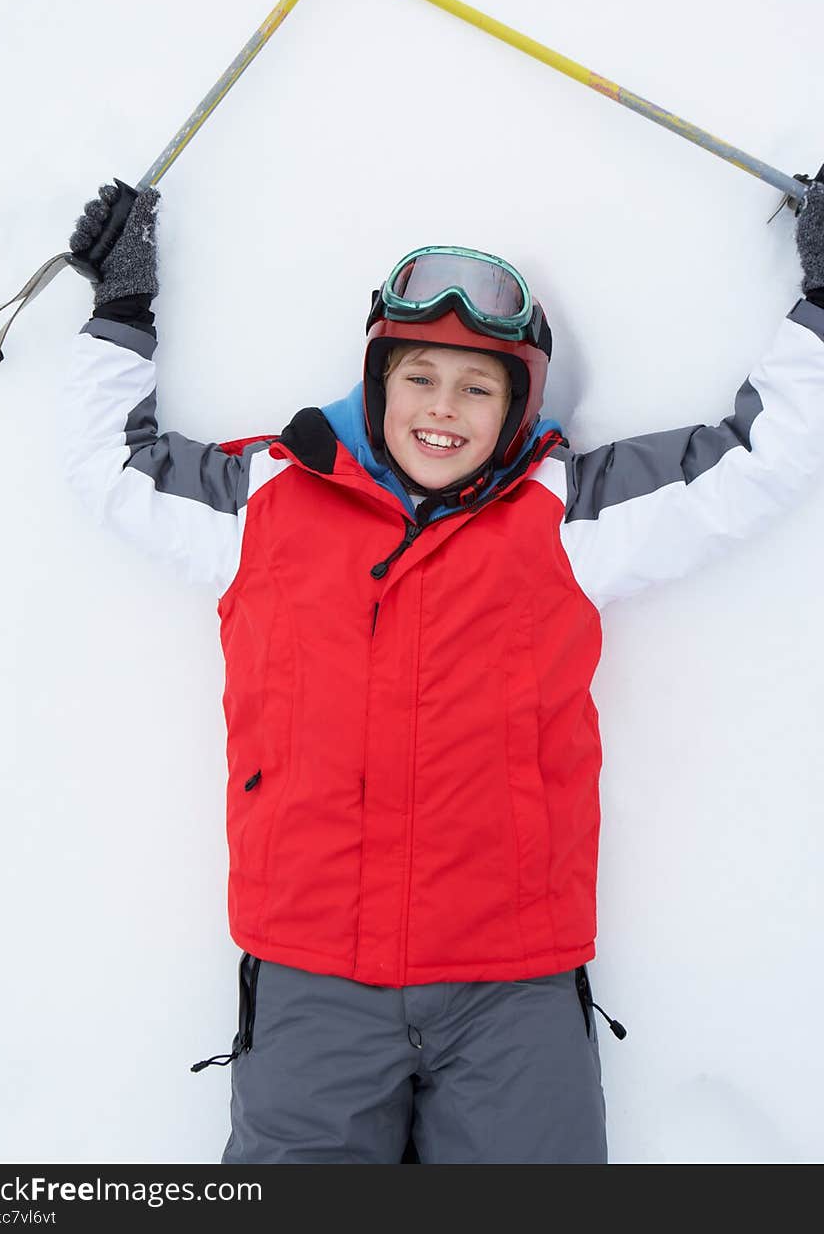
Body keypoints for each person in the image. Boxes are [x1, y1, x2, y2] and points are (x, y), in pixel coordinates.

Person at [62, 177, 824, 1164]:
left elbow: (754, 461)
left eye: (479, 386)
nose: (443, 409)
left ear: (516, 408)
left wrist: (819, 303)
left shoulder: (565, 514)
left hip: (511, 983)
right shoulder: (269, 504)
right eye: (420, 376)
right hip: (311, 975)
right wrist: (120, 308)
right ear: (377, 383)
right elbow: (107, 466)